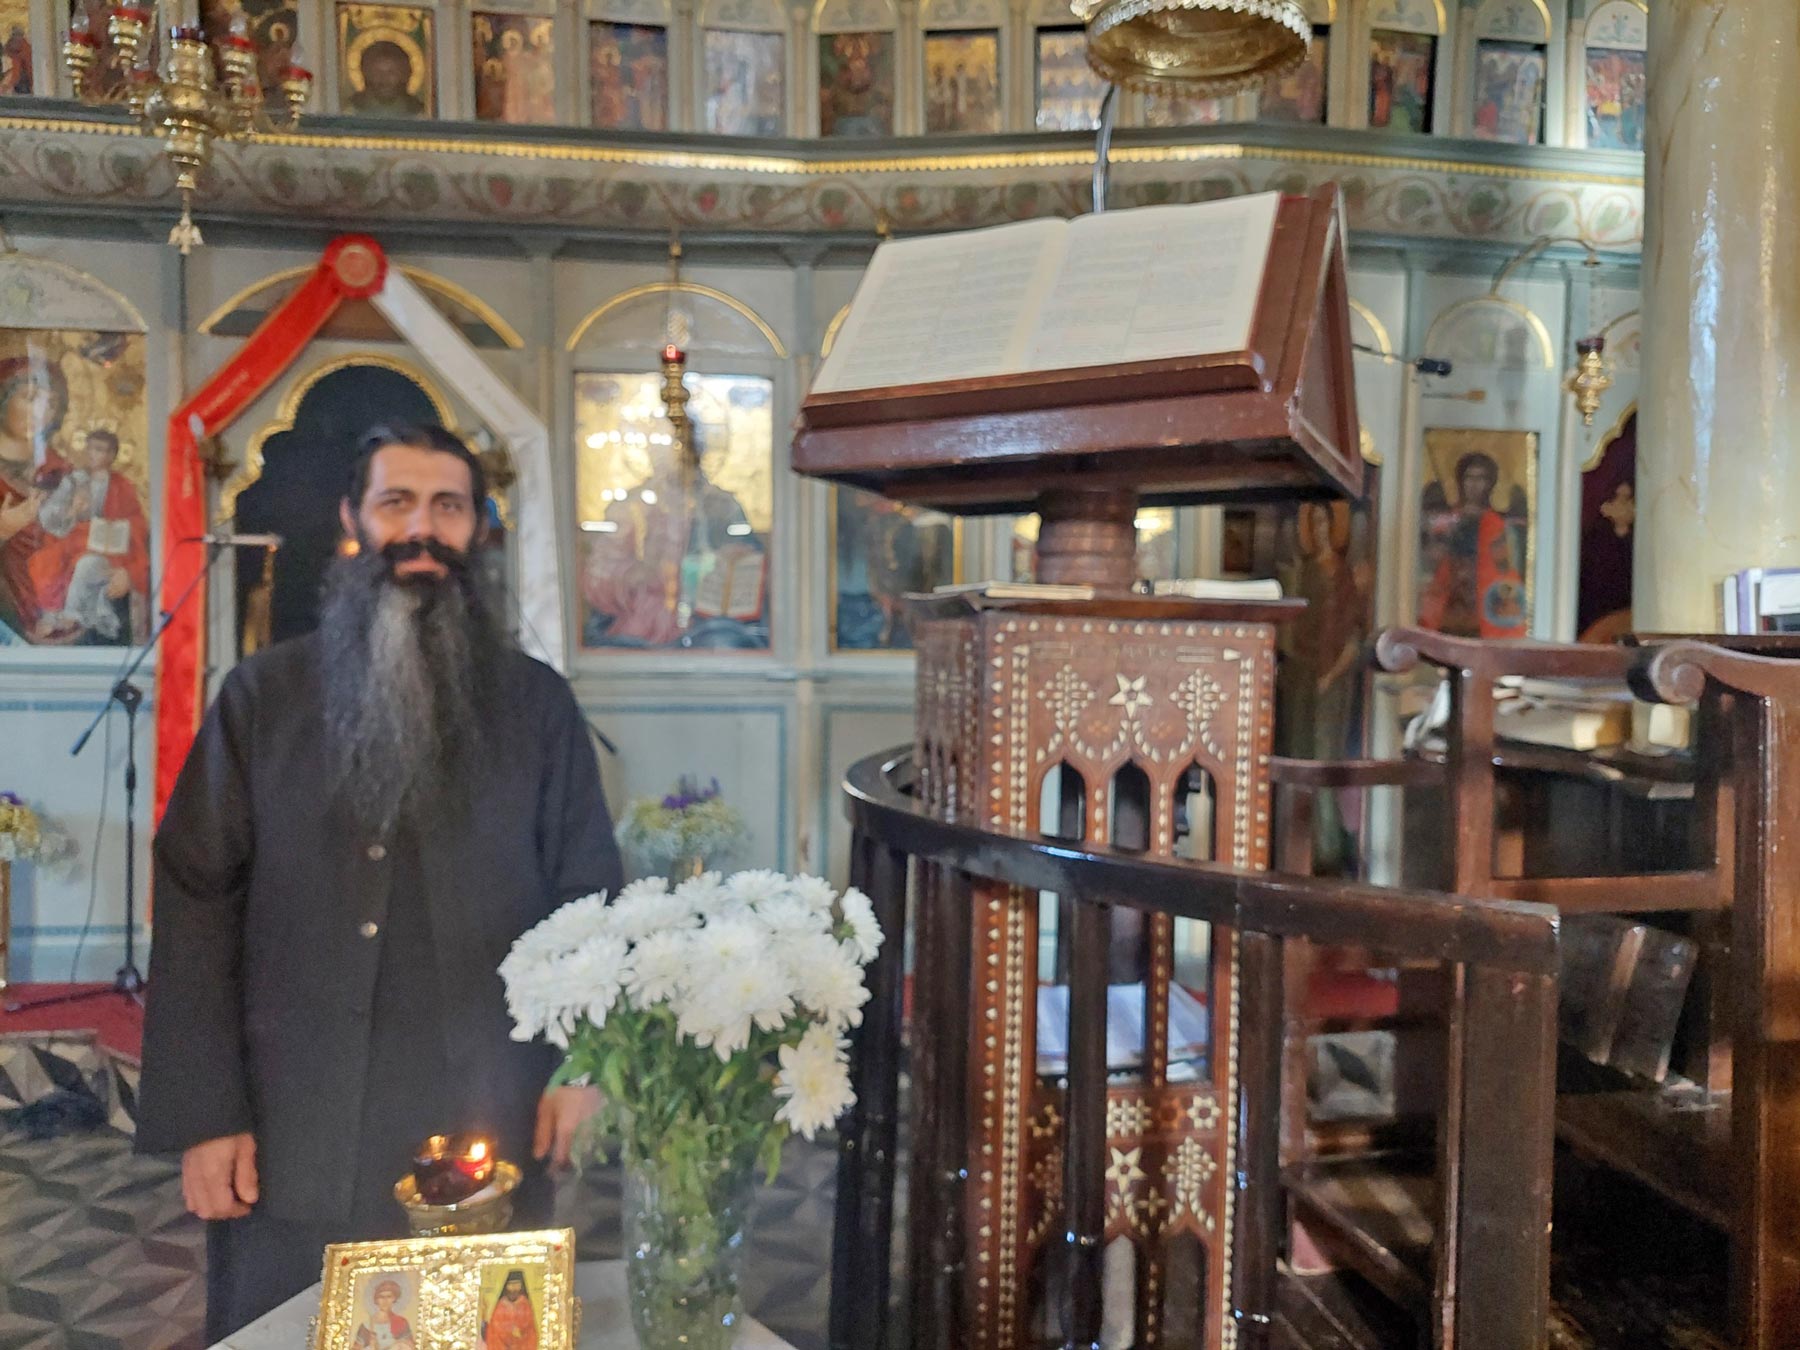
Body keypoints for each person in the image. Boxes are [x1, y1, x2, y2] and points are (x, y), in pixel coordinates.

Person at [137, 424, 623, 1341]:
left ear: (479, 529)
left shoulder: (538, 706)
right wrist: (207, 1116)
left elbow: (588, 895)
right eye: (397, 502)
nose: (422, 529)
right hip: (294, 1119)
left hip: (491, 1106)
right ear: (352, 521)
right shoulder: (262, 699)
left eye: (449, 507)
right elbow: (197, 900)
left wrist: (584, 1065)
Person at [28, 427, 149, 643]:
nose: (93, 454)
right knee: (48, 563)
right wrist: (72, 510)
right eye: (91, 448)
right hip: (73, 541)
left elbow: (137, 520)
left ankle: (72, 617)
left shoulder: (122, 486)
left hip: (110, 548)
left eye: (100, 450)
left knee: (88, 564)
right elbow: (48, 516)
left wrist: (122, 527)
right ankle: (56, 616)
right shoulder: (74, 481)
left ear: (112, 455)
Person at [348, 39, 426, 118]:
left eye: (392, 72)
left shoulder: (421, 115)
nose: (384, 79)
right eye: (376, 72)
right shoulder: (349, 112)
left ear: (405, 75)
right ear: (365, 74)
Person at [482, 1269, 538, 1349]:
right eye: (511, 1284)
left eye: (517, 1284)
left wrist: (520, 1332)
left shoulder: (525, 1304)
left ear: (521, 1286)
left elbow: (530, 1329)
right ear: (506, 1286)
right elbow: (495, 1328)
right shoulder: (501, 1305)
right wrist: (509, 1330)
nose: (514, 1288)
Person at [353, 1279, 417, 1349]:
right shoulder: (366, 1326)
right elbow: (356, 1348)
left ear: (394, 1299)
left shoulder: (401, 1322)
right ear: (376, 1300)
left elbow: (410, 1346)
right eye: (381, 1297)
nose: (385, 1301)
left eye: (389, 1297)